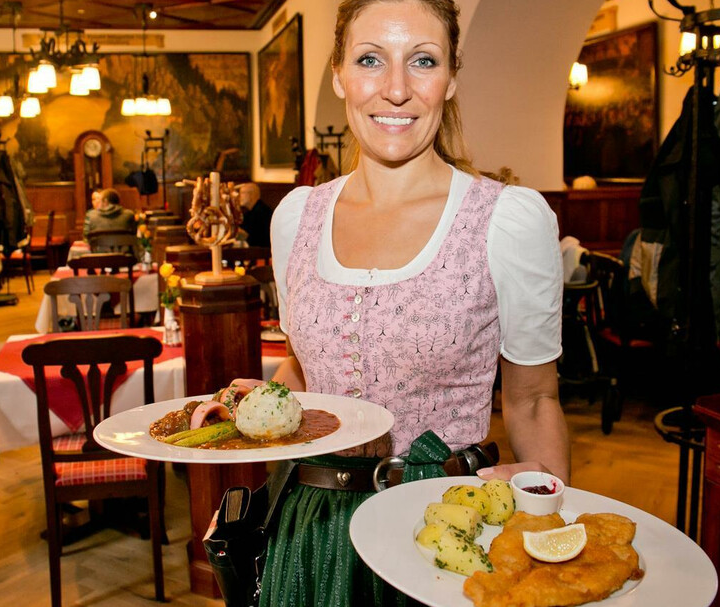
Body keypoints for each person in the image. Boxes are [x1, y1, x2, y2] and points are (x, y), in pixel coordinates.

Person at [259, 1, 569, 605]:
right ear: (338, 75)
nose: (396, 89)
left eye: (423, 61)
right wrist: (251, 408)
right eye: (370, 60)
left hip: (442, 527)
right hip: (311, 526)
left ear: (450, 78)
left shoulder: (505, 220)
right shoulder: (296, 218)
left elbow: (533, 399)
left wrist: (545, 515)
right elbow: (302, 370)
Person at [238, 182, 273, 248]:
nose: (239, 196)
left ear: (252, 195)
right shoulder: (252, 212)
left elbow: (259, 240)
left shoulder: (262, 212)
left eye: (242, 193)